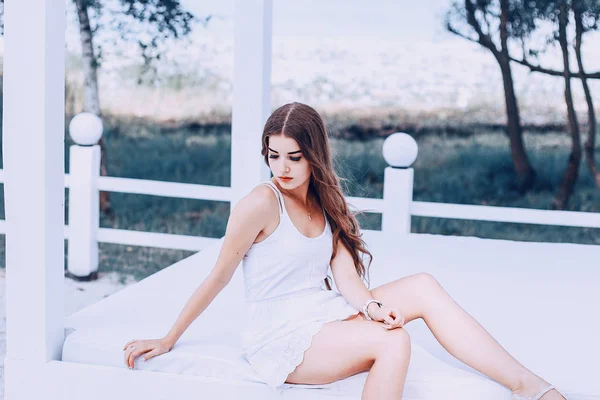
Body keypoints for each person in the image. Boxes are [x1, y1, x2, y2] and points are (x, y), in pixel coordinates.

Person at [122, 102, 566, 399]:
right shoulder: (261, 203)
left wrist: (372, 307)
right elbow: (218, 275)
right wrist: (168, 338)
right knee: (394, 343)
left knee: (423, 287)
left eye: (294, 157)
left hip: (324, 311)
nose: (282, 168)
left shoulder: (326, 200)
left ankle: (528, 386)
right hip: (281, 334)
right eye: (273, 155)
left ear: (314, 155)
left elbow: (348, 278)